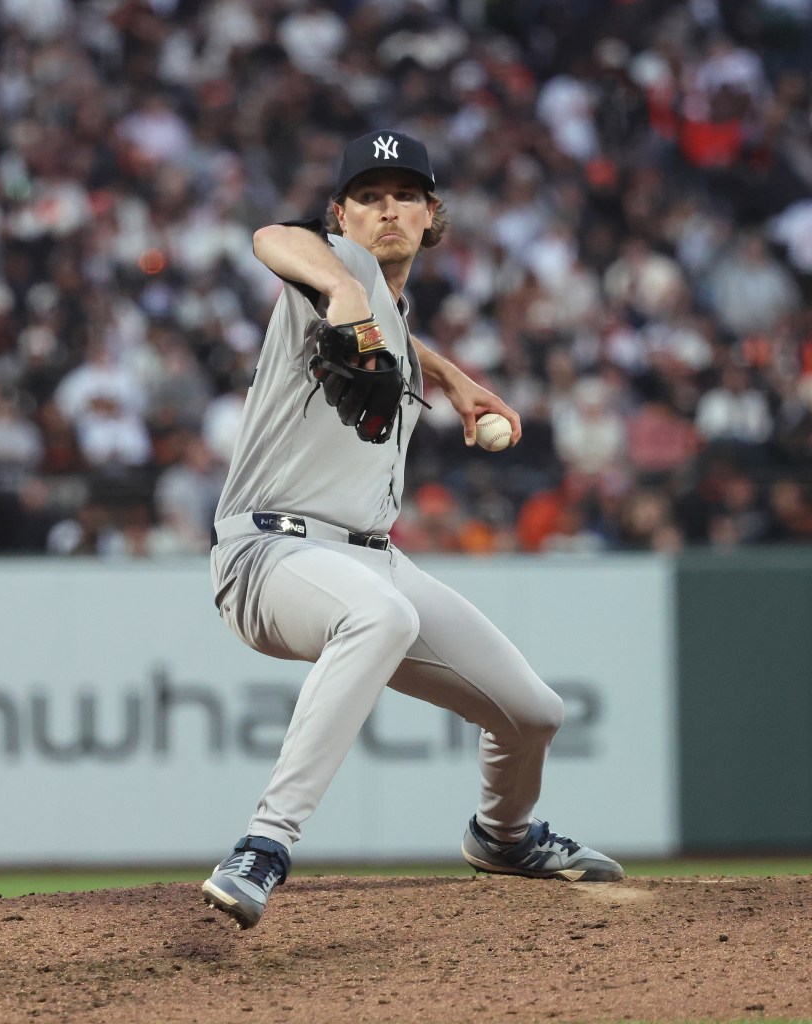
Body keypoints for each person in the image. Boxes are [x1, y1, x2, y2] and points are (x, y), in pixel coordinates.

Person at [202, 131, 624, 930]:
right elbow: (271, 237)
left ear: (433, 215)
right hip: (268, 551)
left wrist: (455, 380)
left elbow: (394, 335)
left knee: (533, 714)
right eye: (367, 195)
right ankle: (265, 844)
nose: (386, 207)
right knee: (381, 616)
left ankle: (502, 836)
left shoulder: (388, 309)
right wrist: (346, 292)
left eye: (404, 194)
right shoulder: (334, 271)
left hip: (369, 559)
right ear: (341, 216)